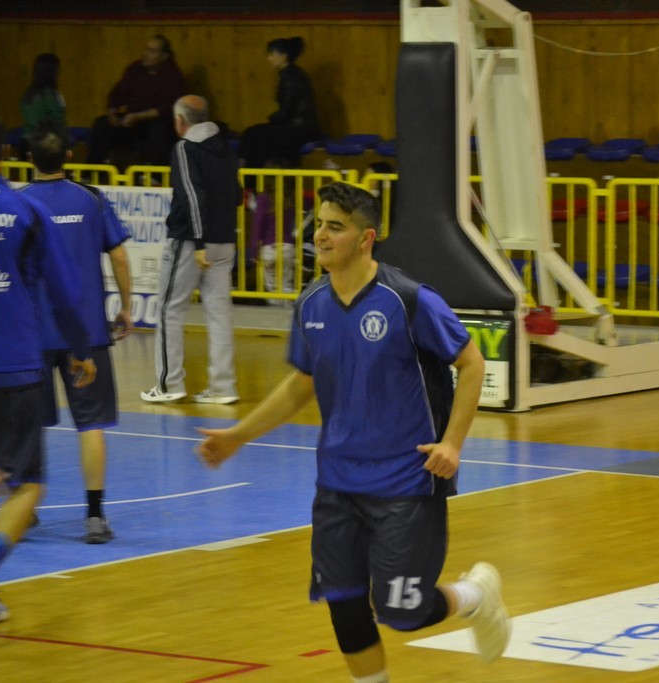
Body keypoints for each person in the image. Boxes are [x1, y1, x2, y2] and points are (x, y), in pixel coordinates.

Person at [196, 182, 509, 682]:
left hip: (407, 482)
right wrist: (238, 435)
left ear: (366, 239)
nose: (320, 235)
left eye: (335, 227)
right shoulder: (311, 303)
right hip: (337, 483)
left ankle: (474, 596)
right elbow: (301, 384)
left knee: (402, 611)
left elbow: (471, 363)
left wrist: (452, 443)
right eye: (319, 224)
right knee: (344, 606)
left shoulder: (409, 300)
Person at [0, 110, 95, 649]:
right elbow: (65, 290)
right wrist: (80, 347)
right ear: (7, 154)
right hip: (12, 364)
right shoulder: (25, 210)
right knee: (28, 485)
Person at [20, 121, 134, 543]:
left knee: (28, 425)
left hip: (32, 335)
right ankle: (95, 516)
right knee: (91, 425)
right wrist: (126, 306)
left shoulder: (19, 203)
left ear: (29, 159)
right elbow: (118, 255)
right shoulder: (91, 199)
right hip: (84, 333)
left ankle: (23, 509)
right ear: (69, 156)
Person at [140, 95, 242, 405]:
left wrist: (198, 241)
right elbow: (236, 194)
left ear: (180, 121)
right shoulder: (226, 147)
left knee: (169, 310)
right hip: (225, 241)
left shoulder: (184, 148)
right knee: (219, 313)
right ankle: (223, 387)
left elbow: (191, 196)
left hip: (190, 242)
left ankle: (169, 384)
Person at [87, 35, 187, 169]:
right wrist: (113, 114)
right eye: (146, 49)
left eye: (152, 51)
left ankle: (156, 176)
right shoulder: (135, 69)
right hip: (133, 122)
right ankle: (92, 173)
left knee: (159, 130)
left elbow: (168, 108)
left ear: (164, 56)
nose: (146, 54)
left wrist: (139, 116)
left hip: (157, 123)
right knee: (101, 125)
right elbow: (118, 93)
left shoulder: (173, 76)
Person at [239, 36, 321, 169]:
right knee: (252, 133)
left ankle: (249, 176)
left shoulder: (290, 78)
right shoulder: (293, 73)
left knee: (253, 136)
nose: (269, 58)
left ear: (283, 56)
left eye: (272, 54)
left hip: (299, 130)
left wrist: (272, 119)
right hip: (301, 127)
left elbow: (286, 112)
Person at [249, 158, 299, 303]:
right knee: (286, 286)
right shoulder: (290, 198)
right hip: (287, 247)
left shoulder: (263, 199)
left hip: (269, 249)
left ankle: (274, 310)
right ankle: (287, 312)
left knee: (272, 288)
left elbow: (258, 226)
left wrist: (254, 251)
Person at [19, 53, 66, 159]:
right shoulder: (51, 95)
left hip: (26, 144)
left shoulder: (28, 94)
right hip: (46, 148)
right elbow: (59, 120)